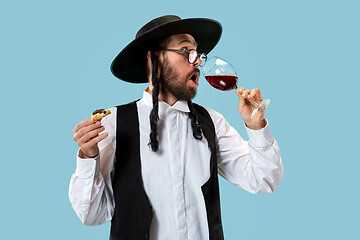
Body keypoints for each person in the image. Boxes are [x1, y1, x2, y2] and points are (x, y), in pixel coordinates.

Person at [69, 15, 283, 240]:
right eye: (185, 50)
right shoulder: (113, 122)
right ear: (154, 60)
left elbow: (264, 179)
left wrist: (256, 125)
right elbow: (91, 215)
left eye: (198, 53)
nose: (198, 62)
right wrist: (87, 156)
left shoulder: (212, 122)